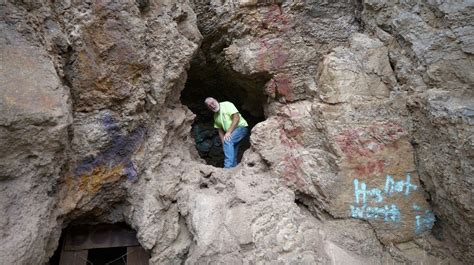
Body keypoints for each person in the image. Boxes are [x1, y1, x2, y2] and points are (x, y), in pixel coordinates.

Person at [204, 97, 248, 168]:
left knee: (228, 140)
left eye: (212, 103)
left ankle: (227, 168)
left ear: (216, 100)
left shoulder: (227, 105)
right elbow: (220, 131)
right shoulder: (215, 116)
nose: (212, 106)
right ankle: (232, 171)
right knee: (232, 151)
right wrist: (224, 145)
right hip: (232, 134)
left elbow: (236, 117)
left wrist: (229, 132)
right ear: (208, 108)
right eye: (209, 105)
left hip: (241, 128)